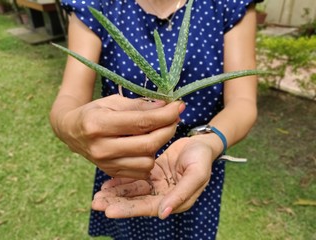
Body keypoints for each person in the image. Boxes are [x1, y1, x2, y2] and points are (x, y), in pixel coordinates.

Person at [50, 0, 263, 238]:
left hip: (196, 164)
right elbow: (69, 98)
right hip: (125, 169)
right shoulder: (96, 4)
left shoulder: (228, 4)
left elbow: (243, 103)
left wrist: (207, 142)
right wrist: (70, 126)